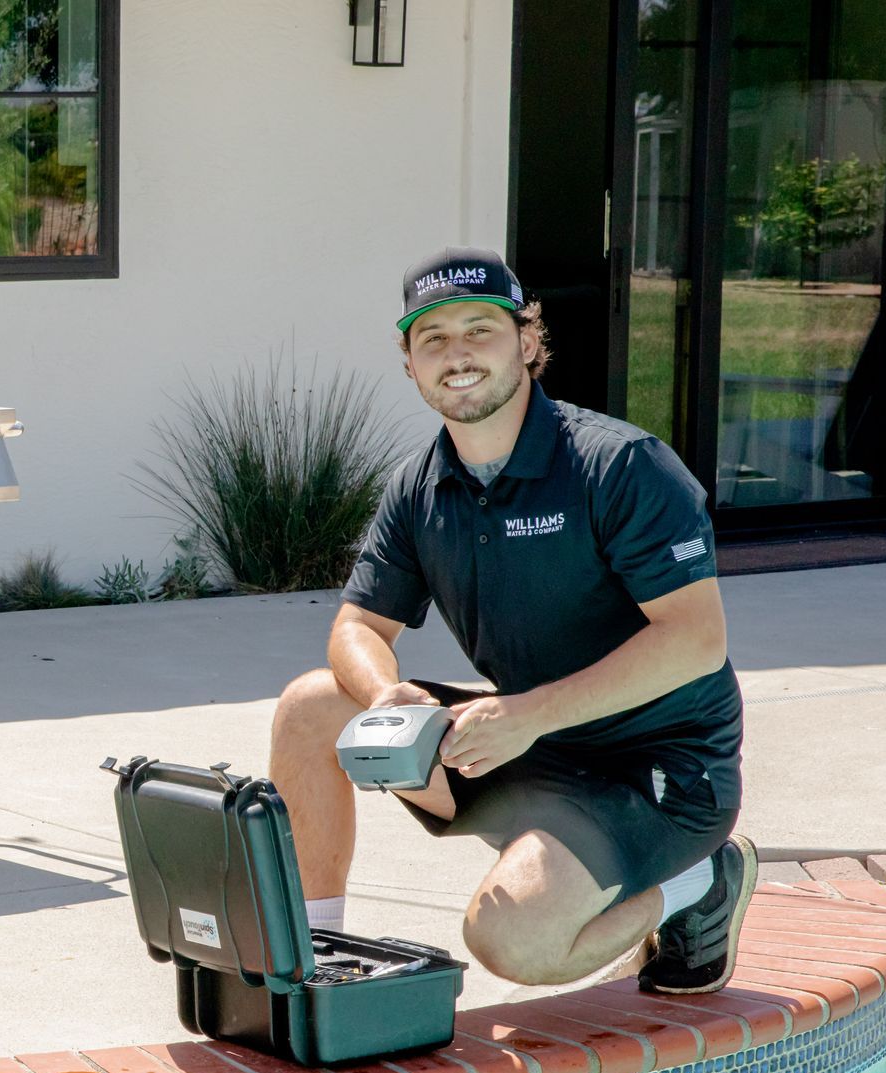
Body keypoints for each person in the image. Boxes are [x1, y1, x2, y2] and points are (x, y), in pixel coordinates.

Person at [269, 248, 753, 997]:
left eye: (479, 331)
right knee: (312, 706)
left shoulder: (619, 467)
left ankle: (702, 883)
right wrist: (383, 694)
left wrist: (529, 714)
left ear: (527, 342)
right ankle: (312, 959)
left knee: (513, 942)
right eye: (432, 339)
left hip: (655, 774)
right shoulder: (419, 487)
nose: (456, 355)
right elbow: (357, 627)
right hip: (525, 747)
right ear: (409, 364)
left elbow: (696, 639)